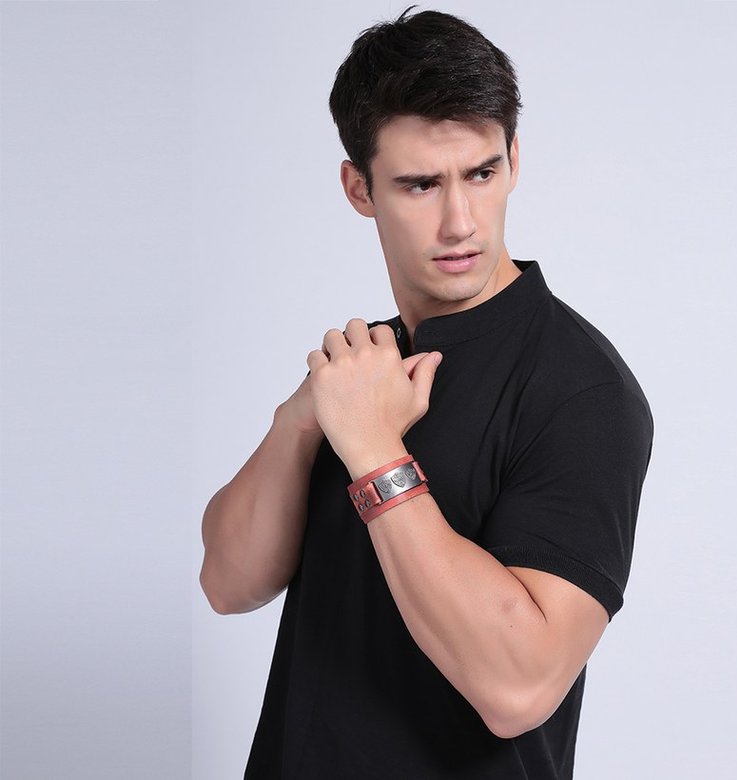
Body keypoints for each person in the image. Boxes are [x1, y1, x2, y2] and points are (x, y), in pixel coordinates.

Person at [199, 7, 654, 779]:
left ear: (513, 157)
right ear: (360, 188)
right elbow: (227, 583)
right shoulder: (364, 370)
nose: (459, 222)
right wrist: (302, 419)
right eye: (419, 184)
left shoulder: (581, 389)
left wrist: (375, 452)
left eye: (481, 173)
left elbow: (518, 687)